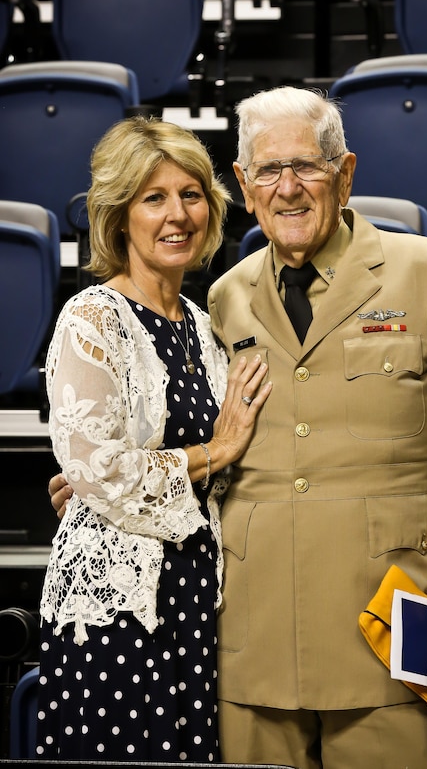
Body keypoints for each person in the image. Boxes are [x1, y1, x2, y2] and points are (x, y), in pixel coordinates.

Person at [50, 87, 427, 768]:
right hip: (248, 640)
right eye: (268, 172)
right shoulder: (224, 297)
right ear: (245, 188)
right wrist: (104, 478)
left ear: (344, 174)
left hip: (385, 628)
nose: (288, 189)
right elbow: (199, 433)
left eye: (306, 167)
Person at [37, 115, 271, 763]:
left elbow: (120, 477)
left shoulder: (203, 325)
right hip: (118, 613)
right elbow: (106, 469)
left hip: (193, 601)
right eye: (154, 197)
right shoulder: (92, 316)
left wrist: (107, 484)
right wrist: (209, 453)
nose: (177, 214)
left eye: (190, 194)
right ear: (119, 216)